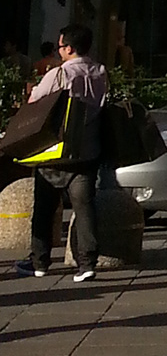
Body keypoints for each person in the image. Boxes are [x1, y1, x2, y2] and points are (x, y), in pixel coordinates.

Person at [22, 25, 110, 284]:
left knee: (44, 208)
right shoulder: (100, 72)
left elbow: (36, 101)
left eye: (60, 46)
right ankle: (87, 263)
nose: (59, 51)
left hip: (56, 152)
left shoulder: (60, 73)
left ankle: (39, 262)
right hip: (88, 150)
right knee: (85, 209)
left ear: (69, 48)